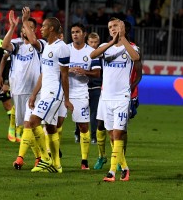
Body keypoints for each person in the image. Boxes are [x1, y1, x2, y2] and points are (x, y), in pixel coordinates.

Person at [90, 17, 140, 182]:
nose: (113, 28)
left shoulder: (131, 47)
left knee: (118, 134)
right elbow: (92, 54)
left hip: (122, 98)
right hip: (106, 97)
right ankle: (125, 168)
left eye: (116, 26)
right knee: (112, 135)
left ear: (123, 27)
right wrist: (112, 42)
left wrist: (122, 38)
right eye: (110, 27)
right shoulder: (105, 47)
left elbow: (136, 58)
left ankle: (111, 172)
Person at [24, 17, 73, 173]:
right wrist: (33, 94)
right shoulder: (46, 46)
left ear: (52, 29)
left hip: (54, 92)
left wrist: (66, 99)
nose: (41, 29)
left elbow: (64, 76)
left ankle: (45, 158)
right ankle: (57, 164)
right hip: (45, 91)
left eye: (44, 26)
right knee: (51, 128)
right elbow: (44, 73)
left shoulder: (62, 48)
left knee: (33, 121)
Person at [0, 7, 46, 169]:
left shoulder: (41, 45)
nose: (27, 30)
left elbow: (33, 41)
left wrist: (25, 21)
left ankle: (21, 158)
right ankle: (39, 156)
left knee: (29, 125)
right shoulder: (17, 44)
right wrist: (12, 27)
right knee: (28, 127)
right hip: (18, 90)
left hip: (35, 92)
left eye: (31, 27)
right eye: (25, 28)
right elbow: (4, 45)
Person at [68, 24, 101, 170]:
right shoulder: (65, 49)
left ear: (84, 34)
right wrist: (68, 70)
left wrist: (84, 72)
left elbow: (97, 73)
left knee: (83, 126)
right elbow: (56, 68)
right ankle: (52, 157)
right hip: (63, 91)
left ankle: (84, 161)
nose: (75, 34)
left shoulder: (91, 52)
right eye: (73, 32)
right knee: (55, 125)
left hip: (80, 92)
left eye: (77, 32)